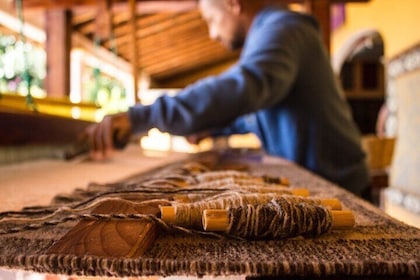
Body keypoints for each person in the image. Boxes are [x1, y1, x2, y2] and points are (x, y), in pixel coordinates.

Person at [85, 0, 370, 196]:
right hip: (326, 179)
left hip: (339, 186)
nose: (212, 33)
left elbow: (245, 87)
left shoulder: (285, 28)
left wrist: (142, 117)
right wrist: (214, 128)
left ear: (233, 3)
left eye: (210, 19)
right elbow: (259, 116)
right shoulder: (276, 33)